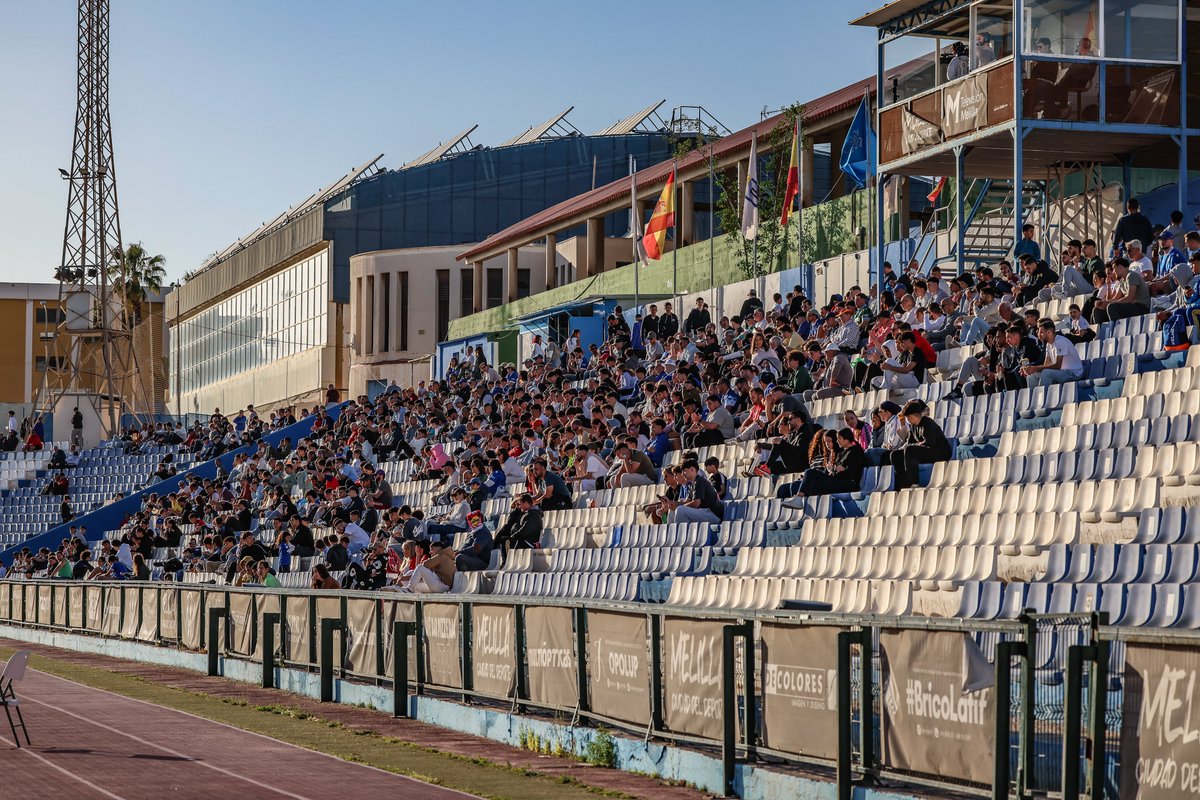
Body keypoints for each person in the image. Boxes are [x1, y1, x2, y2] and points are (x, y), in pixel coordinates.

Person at [780, 428, 866, 503]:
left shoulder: (855, 451)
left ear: (847, 439)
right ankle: (800, 503)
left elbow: (851, 473)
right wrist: (832, 469)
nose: (837, 441)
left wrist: (839, 469)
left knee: (809, 472)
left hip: (848, 483)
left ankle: (799, 498)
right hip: (837, 479)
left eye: (839, 438)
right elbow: (836, 468)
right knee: (810, 483)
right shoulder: (842, 451)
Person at [890, 399, 952, 490]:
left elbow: (930, 442)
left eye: (907, 417)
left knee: (910, 450)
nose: (907, 420)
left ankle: (914, 483)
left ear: (912, 416)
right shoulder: (913, 426)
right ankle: (903, 482)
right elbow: (909, 442)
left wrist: (916, 445)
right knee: (895, 454)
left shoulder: (927, 422)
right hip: (925, 451)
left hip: (939, 452)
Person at [1024, 318, 1084, 388]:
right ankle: (1034, 397)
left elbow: (1058, 366)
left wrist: (1035, 368)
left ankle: (1043, 396)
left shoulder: (1060, 341)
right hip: (1061, 372)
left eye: (1041, 332)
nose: (1038, 334)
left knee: (1047, 373)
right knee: (1032, 375)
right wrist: (1031, 369)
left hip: (1073, 373)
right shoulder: (1048, 344)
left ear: (1049, 332)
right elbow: (1046, 365)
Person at [664, 459, 724, 524]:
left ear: (692, 470)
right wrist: (672, 503)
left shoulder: (699, 481)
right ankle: (676, 532)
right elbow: (687, 502)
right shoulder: (691, 484)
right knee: (674, 510)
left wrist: (679, 507)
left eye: (684, 471)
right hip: (703, 512)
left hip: (712, 514)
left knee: (680, 510)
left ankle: (679, 533)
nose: (683, 474)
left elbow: (696, 504)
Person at [492, 493, 543, 562]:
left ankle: (506, 563)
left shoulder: (533, 514)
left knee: (505, 540)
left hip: (528, 542)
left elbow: (525, 531)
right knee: (506, 528)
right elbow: (510, 523)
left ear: (526, 503)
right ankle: (492, 548)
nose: (519, 506)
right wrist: (516, 510)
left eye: (520, 504)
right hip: (521, 539)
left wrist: (513, 536)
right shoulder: (523, 513)